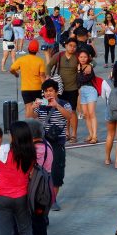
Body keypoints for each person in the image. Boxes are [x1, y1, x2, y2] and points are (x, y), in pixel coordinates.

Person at [27, 79, 73, 210]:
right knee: (38, 170)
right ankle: (38, 196)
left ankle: (52, 200)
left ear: (57, 92)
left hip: (57, 142)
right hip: (42, 143)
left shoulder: (64, 104)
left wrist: (56, 106)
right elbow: (30, 117)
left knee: (57, 172)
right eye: (46, 91)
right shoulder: (41, 104)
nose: (48, 94)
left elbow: (69, 116)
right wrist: (32, 107)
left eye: (51, 91)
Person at [12, 119, 55, 235]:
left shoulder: (35, 150)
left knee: (35, 221)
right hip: (46, 185)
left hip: (36, 188)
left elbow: (29, 170)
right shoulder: (47, 145)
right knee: (40, 220)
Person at [47, 38, 80, 142]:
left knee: (73, 111)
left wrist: (89, 66)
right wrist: (48, 77)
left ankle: (74, 134)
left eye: (74, 46)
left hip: (73, 88)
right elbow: (48, 66)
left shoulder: (78, 56)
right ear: (66, 46)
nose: (72, 48)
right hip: (60, 89)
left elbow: (91, 62)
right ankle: (66, 133)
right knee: (63, 111)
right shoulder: (59, 55)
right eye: (70, 45)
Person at [10, 39, 47, 104]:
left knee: (28, 108)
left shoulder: (21, 59)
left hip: (25, 89)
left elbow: (11, 69)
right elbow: (42, 75)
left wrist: (16, 74)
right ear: (37, 50)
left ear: (28, 49)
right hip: (37, 88)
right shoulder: (40, 61)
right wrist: (46, 88)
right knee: (38, 107)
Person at [76, 49, 99, 144]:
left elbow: (81, 79)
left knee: (91, 113)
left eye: (85, 57)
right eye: (81, 57)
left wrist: (78, 71)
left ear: (88, 58)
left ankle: (95, 135)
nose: (83, 59)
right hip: (82, 92)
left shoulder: (89, 68)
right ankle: (90, 134)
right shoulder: (78, 66)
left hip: (90, 90)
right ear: (78, 58)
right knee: (86, 115)